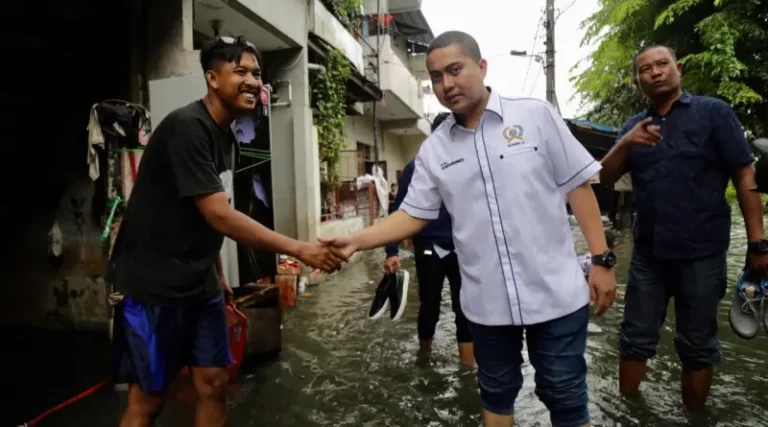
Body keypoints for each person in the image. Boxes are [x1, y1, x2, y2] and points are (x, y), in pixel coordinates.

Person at [320, 31, 616, 427]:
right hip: (486, 303)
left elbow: (578, 186)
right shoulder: (435, 150)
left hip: (556, 295)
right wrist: (356, 240)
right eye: (436, 77)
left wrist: (601, 260)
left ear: (481, 66)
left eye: (454, 70)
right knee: (495, 395)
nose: (446, 85)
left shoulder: (534, 116)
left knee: (565, 395)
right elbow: (412, 214)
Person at [108, 36, 341, 427]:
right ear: (213, 79)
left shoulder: (226, 137)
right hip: (154, 285)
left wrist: (216, 274)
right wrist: (300, 249)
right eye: (241, 71)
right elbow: (220, 215)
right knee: (148, 399)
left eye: (257, 73)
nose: (253, 81)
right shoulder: (187, 127)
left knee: (215, 383)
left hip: (200, 286)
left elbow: (203, 211)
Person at [599, 44, 768, 412]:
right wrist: (626, 143)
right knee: (634, 339)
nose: (655, 72)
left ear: (679, 68)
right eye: (646, 69)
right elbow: (606, 177)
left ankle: (694, 419)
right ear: (637, 80)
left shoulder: (713, 113)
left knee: (698, 343)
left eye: (662, 64)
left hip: (703, 254)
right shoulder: (633, 127)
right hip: (648, 255)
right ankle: (629, 414)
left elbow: (743, 174)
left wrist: (758, 244)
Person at [377, 111, 475, 366]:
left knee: (465, 308)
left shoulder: (470, 165)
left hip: (463, 249)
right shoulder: (416, 167)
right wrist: (392, 252)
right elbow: (400, 210)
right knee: (429, 305)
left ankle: (467, 369)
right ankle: (424, 359)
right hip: (429, 247)